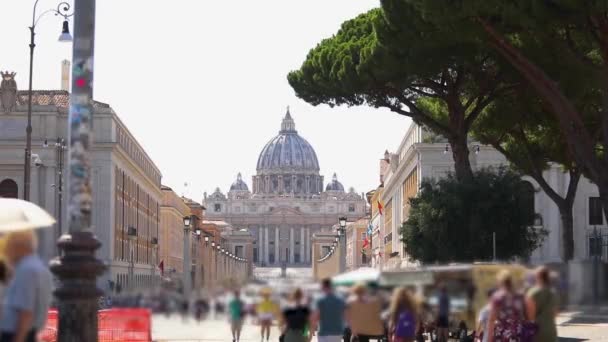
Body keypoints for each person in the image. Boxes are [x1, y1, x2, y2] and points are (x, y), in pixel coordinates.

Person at [0, 231, 53, 342]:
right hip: (28, 332)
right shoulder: (37, 266)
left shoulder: (26, 270)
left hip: (16, 334)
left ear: (17, 246)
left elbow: (26, 312)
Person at [487, 270, 526, 342]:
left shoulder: (497, 297)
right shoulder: (520, 296)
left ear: (500, 282)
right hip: (518, 333)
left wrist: (489, 339)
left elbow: (492, 319)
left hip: (503, 333)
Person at [526, 266, 558, 342]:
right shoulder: (553, 292)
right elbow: (555, 313)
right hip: (551, 330)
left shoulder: (533, 292)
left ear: (537, 277)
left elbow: (530, 315)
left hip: (537, 331)